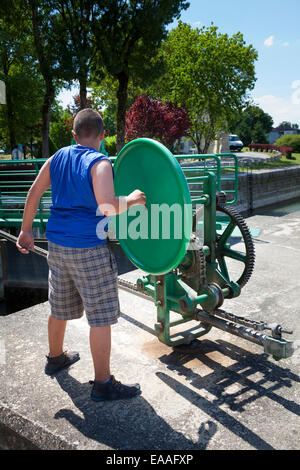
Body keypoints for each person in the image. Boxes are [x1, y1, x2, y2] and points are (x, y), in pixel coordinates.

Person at [16, 108, 146, 401]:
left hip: (57, 247)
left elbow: (34, 192)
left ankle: (55, 357)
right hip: (89, 248)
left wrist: (25, 231)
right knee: (99, 317)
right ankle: (102, 383)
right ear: (102, 136)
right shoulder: (99, 163)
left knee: (58, 305)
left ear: (74, 135)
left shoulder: (57, 157)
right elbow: (107, 206)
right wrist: (134, 199)